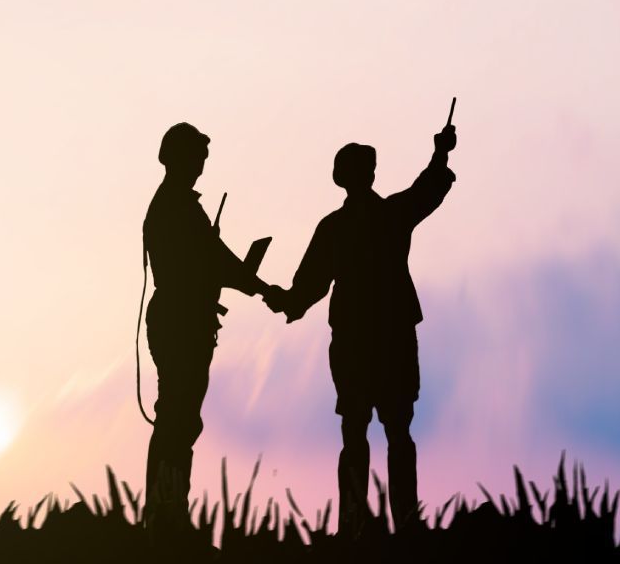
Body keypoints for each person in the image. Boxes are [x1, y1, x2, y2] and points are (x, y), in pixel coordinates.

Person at [281, 121, 457, 537]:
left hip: (355, 341)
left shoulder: (335, 227)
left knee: (356, 432)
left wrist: (285, 302)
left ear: (341, 178)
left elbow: (307, 286)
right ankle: (404, 523)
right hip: (390, 337)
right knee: (397, 430)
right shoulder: (391, 216)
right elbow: (427, 191)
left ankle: (353, 525)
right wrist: (441, 154)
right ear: (370, 174)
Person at [141, 122, 281, 540]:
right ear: (176, 158)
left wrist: (236, 281)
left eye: (202, 159)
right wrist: (261, 287)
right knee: (176, 418)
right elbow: (215, 261)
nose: (200, 166)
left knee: (178, 417)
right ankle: (166, 513)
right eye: (196, 157)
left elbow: (210, 263)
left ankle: (167, 510)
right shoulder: (178, 207)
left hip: (181, 319)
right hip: (180, 323)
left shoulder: (174, 205)